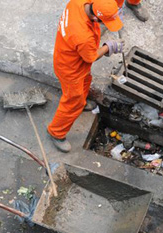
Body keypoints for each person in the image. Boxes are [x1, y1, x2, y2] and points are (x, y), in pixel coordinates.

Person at [48, 0, 125, 153]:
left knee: (85, 82)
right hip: (70, 69)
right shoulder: (82, 36)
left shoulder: (78, 3)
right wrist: (108, 47)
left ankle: (81, 103)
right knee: (73, 101)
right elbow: (91, 57)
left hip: (68, 56)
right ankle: (56, 133)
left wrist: (113, 14)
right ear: (96, 18)